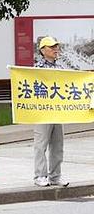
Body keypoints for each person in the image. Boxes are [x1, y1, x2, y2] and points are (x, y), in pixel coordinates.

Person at [33, 36, 73, 187]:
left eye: (56, 46)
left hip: (57, 112)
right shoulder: (36, 69)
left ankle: (55, 176)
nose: (56, 49)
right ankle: (39, 176)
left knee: (57, 145)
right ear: (43, 50)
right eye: (51, 47)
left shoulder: (61, 68)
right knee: (41, 145)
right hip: (43, 113)